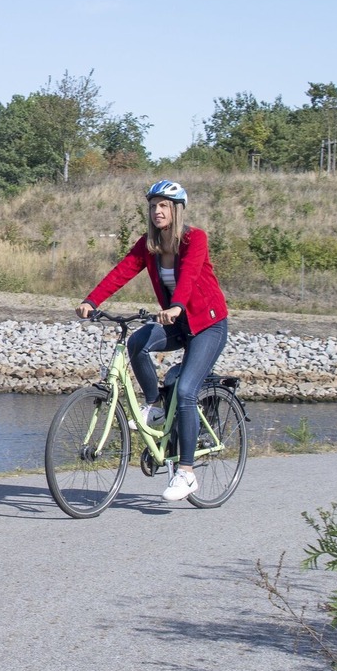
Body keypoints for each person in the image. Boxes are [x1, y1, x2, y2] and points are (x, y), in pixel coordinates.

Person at [77, 180, 229, 502]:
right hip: (176, 322)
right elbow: (121, 272)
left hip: (208, 324)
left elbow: (189, 275)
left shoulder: (195, 239)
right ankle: (154, 405)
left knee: (186, 390)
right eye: (152, 206)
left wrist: (177, 305)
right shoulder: (149, 245)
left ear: (176, 210)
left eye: (163, 206)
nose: (157, 211)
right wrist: (92, 300)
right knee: (136, 343)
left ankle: (186, 473)